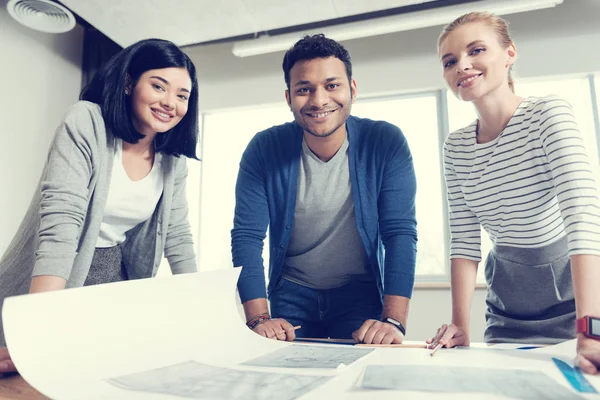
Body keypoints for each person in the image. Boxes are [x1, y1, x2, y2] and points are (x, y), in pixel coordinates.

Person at [0, 38, 200, 373]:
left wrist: (202, 312)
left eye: (182, 95)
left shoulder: (172, 160)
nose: (171, 102)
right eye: (158, 86)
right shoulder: (87, 121)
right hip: (53, 277)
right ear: (128, 82)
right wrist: (36, 328)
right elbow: (62, 225)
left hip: (111, 285)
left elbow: (177, 236)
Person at [427, 12, 600, 374]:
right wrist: (460, 324)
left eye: (476, 50)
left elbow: (583, 220)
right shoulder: (455, 147)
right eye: (450, 61)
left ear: (509, 53)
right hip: (507, 307)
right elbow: (463, 240)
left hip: (576, 303)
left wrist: (592, 332)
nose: (463, 65)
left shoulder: (547, 115)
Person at [232, 34, 417, 344]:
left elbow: (399, 232)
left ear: (352, 89)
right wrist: (259, 318)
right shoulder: (263, 148)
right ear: (289, 97)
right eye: (305, 89)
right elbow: (247, 237)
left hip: (360, 293)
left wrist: (394, 320)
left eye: (332, 85)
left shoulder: (385, 142)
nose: (319, 100)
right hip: (290, 293)